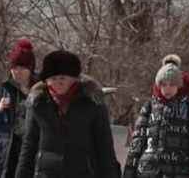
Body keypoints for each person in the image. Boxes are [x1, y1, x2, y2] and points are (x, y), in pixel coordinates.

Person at [15, 50, 120, 178]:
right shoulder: (37, 104)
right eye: (53, 78)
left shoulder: (92, 103)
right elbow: (29, 147)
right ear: (47, 81)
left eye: (63, 78)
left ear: (74, 78)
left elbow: (105, 149)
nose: (58, 83)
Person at [123, 59, 189, 178]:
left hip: (179, 170)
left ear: (179, 86)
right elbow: (137, 142)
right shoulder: (149, 107)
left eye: (172, 85)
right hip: (148, 170)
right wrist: (129, 171)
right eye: (164, 85)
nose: (167, 89)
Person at [0, 38, 38, 178]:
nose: (17, 72)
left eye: (22, 68)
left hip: (32, 152)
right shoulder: (2, 89)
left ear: (30, 68)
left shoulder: (41, 90)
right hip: (5, 154)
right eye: (14, 67)